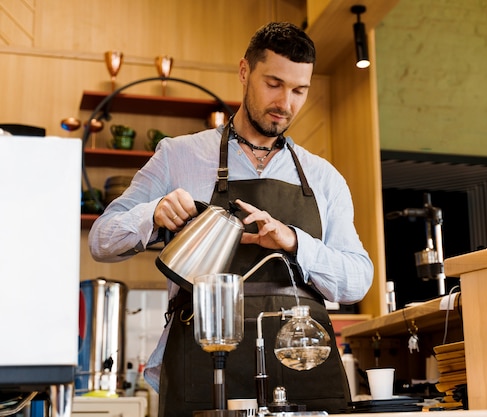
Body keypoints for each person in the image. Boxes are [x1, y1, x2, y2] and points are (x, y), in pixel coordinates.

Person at [89, 22, 373, 417]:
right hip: (203, 368)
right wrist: (151, 214)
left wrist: (294, 241)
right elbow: (101, 240)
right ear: (244, 72)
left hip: (302, 363)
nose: (285, 103)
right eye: (273, 83)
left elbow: (358, 280)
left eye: (299, 90)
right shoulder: (179, 156)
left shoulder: (323, 176)